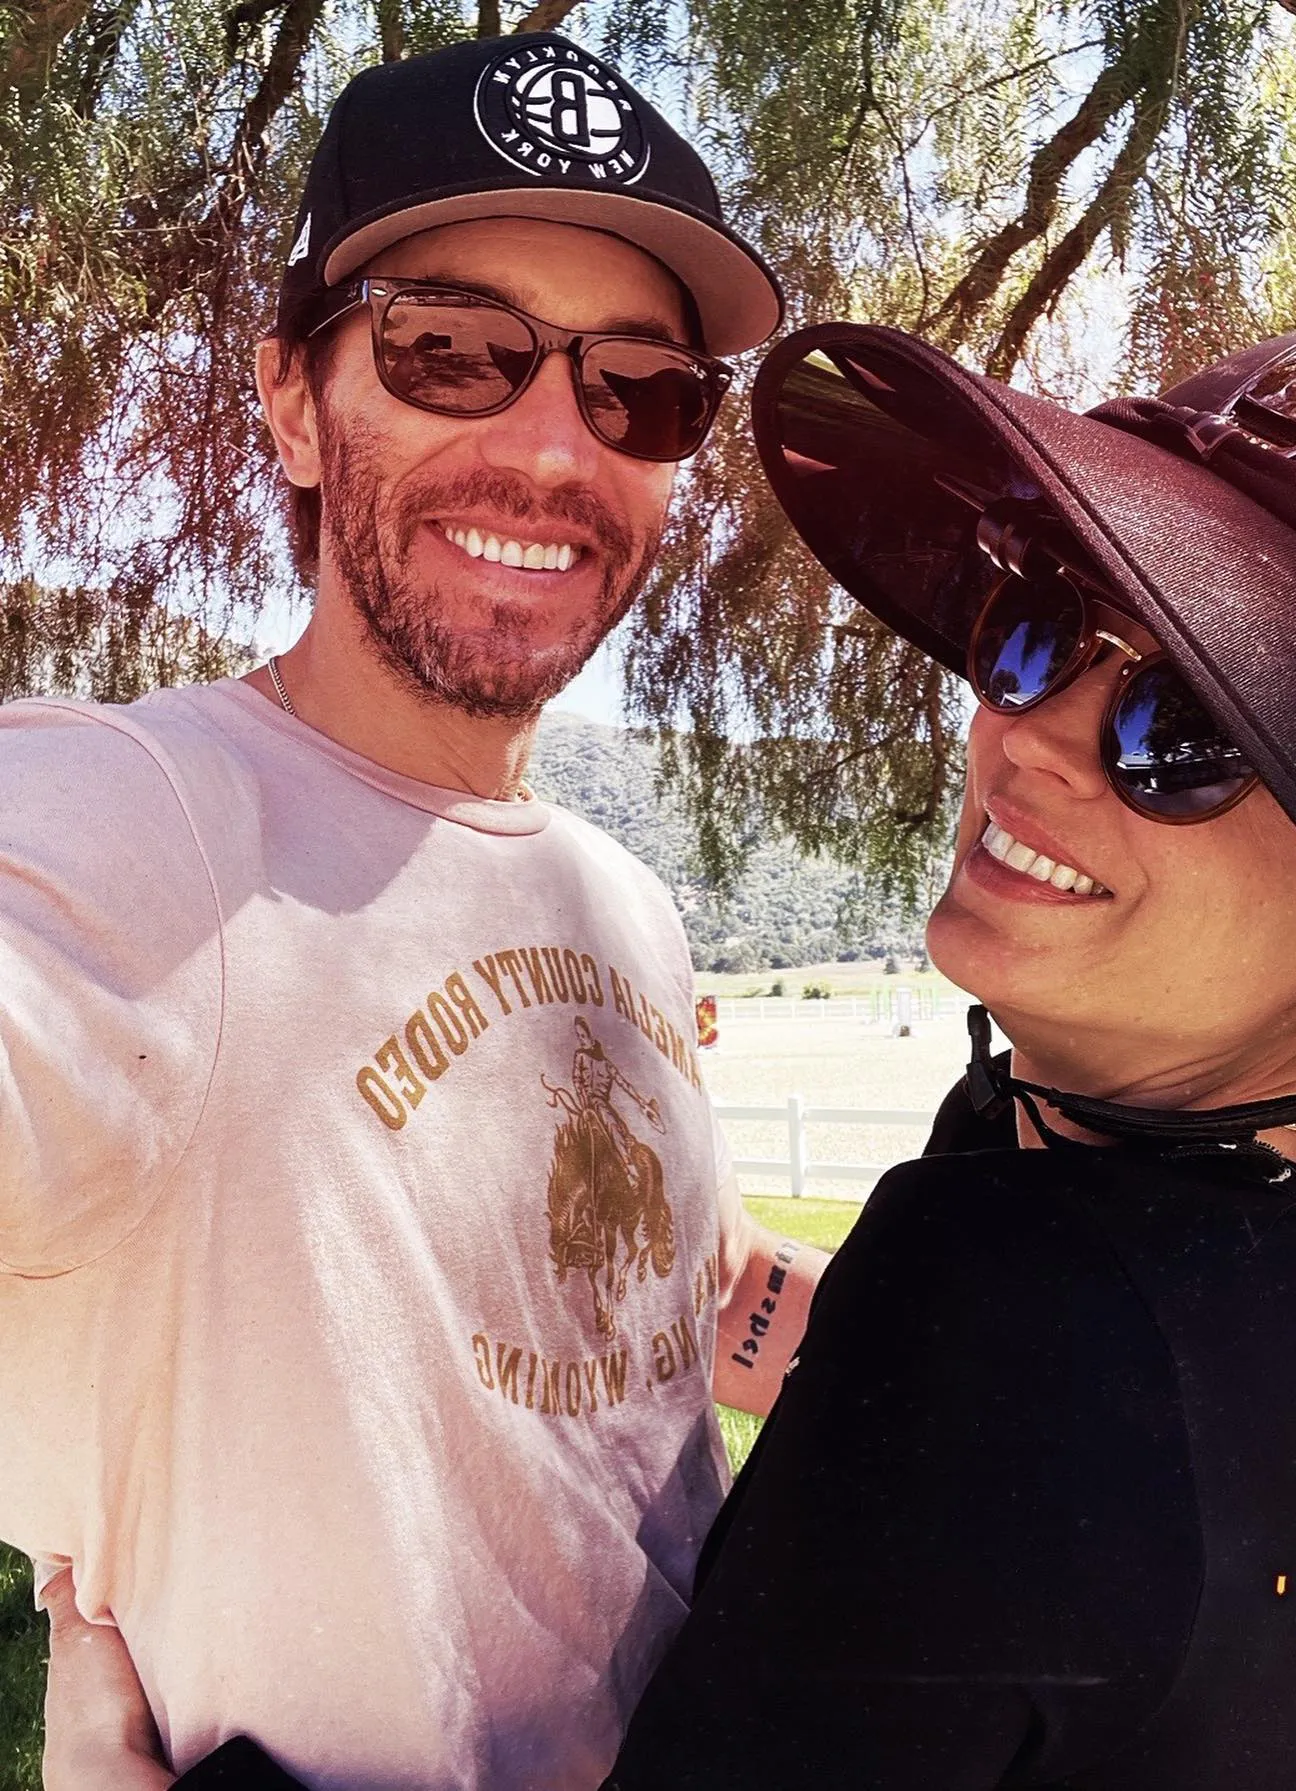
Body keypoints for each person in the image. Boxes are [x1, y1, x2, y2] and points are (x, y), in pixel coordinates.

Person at [4, 30, 827, 1790]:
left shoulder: (623, 903)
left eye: (642, 388)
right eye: (451, 348)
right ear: (294, 403)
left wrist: (1000, 1332)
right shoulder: (129, 828)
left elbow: (663, 1290)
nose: (554, 448)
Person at [601, 316, 1296, 1789]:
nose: (1035, 737)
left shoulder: (1004, 1302)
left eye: (1185, 724)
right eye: (1041, 627)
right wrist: (756, 1312)